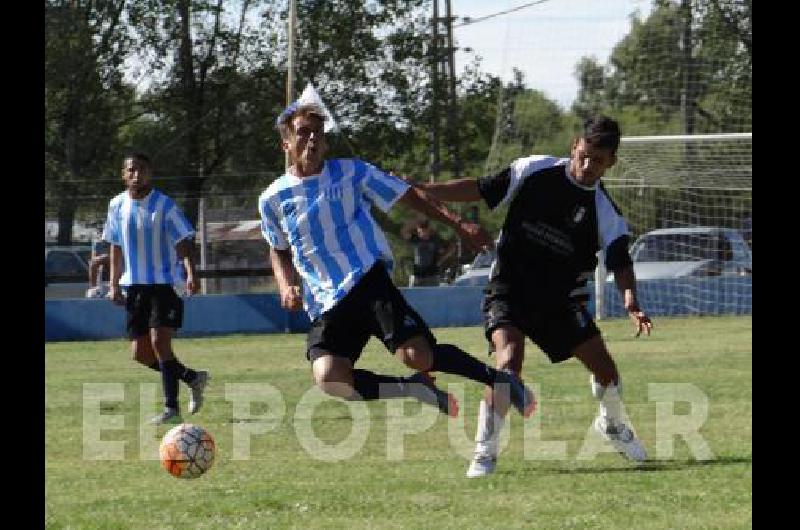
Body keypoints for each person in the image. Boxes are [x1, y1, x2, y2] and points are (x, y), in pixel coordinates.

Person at [259, 101, 536, 421]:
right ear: (286, 143)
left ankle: (501, 380)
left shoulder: (352, 172)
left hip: (367, 280)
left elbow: (408, 194)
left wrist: (459, 225)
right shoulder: (272, 199)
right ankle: (414, 388)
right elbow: (276, 247)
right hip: (325, 301)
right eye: (303, 133)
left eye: (318, 133)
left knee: (418, 355)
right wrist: (285, 284)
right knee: (330, 378)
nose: (312, 140)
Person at [415, 116, 653, 477]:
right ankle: (484, 453)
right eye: (584, 156)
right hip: (508, 288)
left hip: (559, 301)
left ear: (611, 163)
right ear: (575, 145)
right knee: (508, 363)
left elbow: (620, 261)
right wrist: (426, 189)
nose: (588, 166)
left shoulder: (605, 212)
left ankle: (612, 425)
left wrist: (631, 300)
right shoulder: (534, 169)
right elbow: (481, 188)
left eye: (599, 161)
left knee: (605, 371)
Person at [103, 153, 210, 425]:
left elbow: (183, 242)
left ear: (151, 173)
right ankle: (192, 377)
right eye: (131, 170)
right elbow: (115, 246)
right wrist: (113, 284)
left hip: (164, 285)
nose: (137, 175)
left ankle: (171, 409)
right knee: (140, 353)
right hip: (135, 287)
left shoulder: (164, 205)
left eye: (142, 170)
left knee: (160, 343)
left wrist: (190, 273)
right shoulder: (116, 205)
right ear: (123, 174)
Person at [400, 216, 453, 287]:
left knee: (431, 296)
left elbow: (451, 247)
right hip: (417, 275)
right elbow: (404, 232)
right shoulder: (416, 239)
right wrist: (415, 221)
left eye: (423, 231)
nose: (421, 234)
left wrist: (441, 259)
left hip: (432, 276)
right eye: (419, 231)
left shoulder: (435, 239)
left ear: (428, 229)